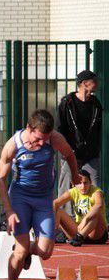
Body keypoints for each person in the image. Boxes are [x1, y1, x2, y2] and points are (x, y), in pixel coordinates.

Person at [0, 109, 79, 280]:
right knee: (20, 251)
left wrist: (75, 177)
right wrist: (9, 211)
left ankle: (25, 250)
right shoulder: (13, 144)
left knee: (45, 252)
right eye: (39, 138)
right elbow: (0, 178)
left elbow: (69, 154)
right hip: (20, 198)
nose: (42, 143)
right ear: (29, 128)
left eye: (46, 139)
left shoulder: (54, 139)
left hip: (43, 200)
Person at [57, 70, 102, 214]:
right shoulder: (67, 103)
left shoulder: (96, 104)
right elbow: (60, 128)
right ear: (84, 83)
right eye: (93, 81)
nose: (97, 84)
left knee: (95, 185)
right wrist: (67, 149)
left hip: (90, 154)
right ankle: (65, 222)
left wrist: (95, 147)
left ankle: (96, 221)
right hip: (70, 153)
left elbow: (98, 129)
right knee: (66, 186)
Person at [53, 170, 107, 246]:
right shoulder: (73, 192)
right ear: (73, 184)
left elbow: (99, 205)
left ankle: (80, 237)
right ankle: (50, 236)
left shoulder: (96, 191)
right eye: (79, 183)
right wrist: (52, 224)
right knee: (58, 210)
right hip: (79, 230)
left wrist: (86, 219)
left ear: (90, 182)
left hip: (96, 234)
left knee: (96, 211)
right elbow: (55, 203)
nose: (83, 186)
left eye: (85, 183)